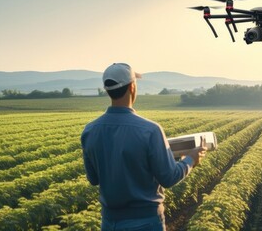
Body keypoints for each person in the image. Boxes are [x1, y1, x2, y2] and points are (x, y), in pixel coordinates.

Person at [81, 63, 206, 231]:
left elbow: (93, 179)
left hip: (109, 222)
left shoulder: (90, 130)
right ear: (132, 87)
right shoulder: (150, 130)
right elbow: (168, 178)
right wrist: (191, 159)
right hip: (145, 222)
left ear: (108, 90)